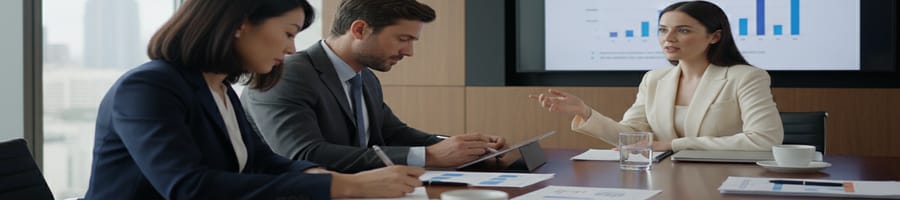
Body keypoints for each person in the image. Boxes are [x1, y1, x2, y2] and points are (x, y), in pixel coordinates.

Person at [86, 0, 424, 199]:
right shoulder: (149, 86)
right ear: (240, 25)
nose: (292, 48)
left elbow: (264, 160)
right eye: (289, 32)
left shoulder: (219, 88)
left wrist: (318, 174)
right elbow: (187, 187)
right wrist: (340, 185)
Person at [242, 0, 506, 173]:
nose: (409, 51)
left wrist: (466, 147)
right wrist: (430, 156)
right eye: (403, 39)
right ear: (359, 30)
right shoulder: (288, 74)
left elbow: (393, 133)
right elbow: (304, 154)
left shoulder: (365, 77)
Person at [530, 1, 783, 151]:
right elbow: (631, 137)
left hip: (726, 179)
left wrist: (674, 145)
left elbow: (764, 140)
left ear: (714, 37)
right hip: (665, 178)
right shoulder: (654, 79)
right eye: (663, 30)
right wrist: (585, 112)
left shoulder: (746, 77)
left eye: (682, 30)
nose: (668, 38)